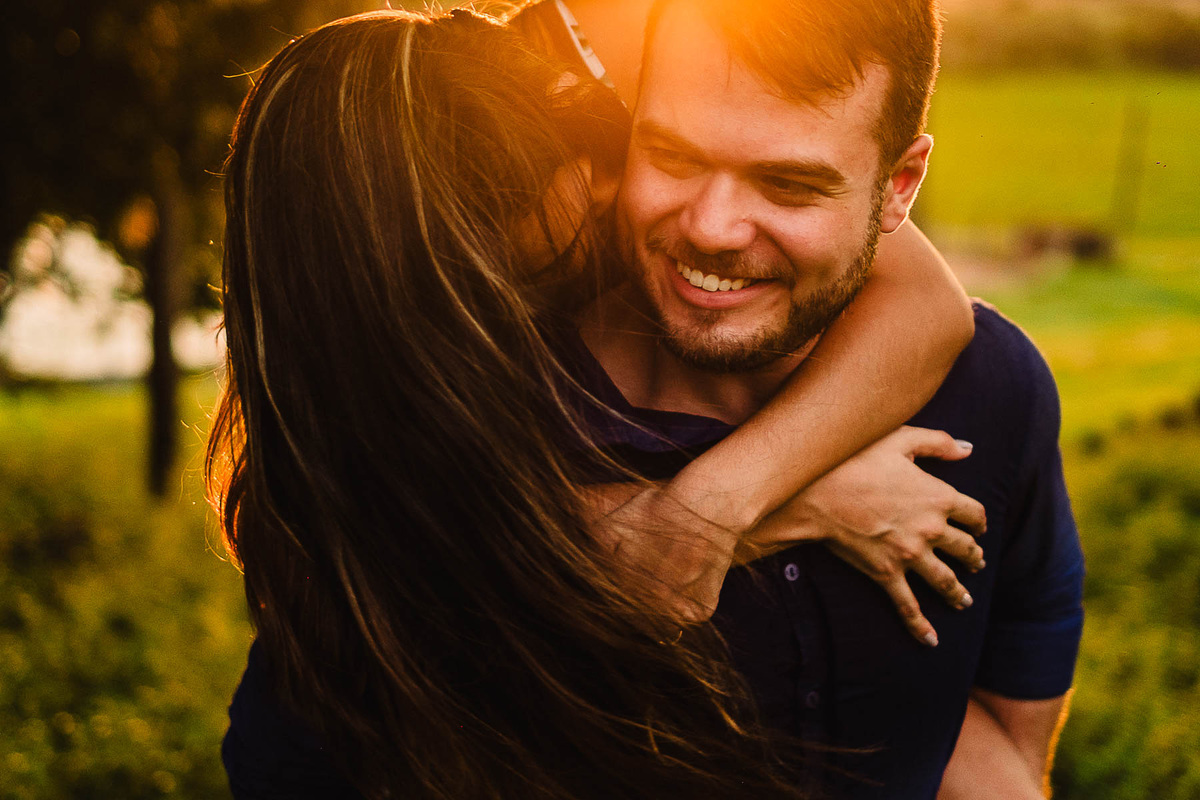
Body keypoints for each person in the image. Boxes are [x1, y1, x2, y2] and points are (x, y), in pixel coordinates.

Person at [209, 7, 990, 798]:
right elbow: (523, 576)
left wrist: (734, 492)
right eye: (590, 180)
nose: (637, 198)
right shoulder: (384, 434)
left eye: (622, 148)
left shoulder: (552, 91)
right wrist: (809, 503)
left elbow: (922, 295)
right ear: (466, 256)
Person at [571, 0, 1086, 797]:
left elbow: (1003, 730)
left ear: (899, 187)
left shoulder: (994, 391)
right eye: (672, 156)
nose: (712, 227)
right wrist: (789, 505)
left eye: (786, 184)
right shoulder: (505, 394)